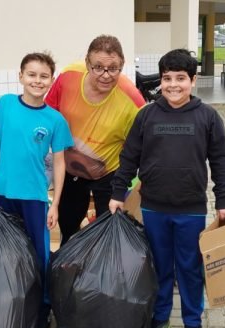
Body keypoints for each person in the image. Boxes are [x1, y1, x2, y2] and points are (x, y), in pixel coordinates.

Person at [108, 48, 225, 328]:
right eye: (167, 78)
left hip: (191, 208)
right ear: (160, 81)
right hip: (154, 208)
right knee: (160, 267)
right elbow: (129, 156)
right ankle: (160, 318)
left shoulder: (208, 117)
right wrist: (117, 192)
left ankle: (192, 323)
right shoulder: (147, 115)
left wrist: (223, 199)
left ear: (193, 80)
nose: (173, 85)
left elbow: (220, 159)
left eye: (180, 78)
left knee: (189, 268)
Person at [0, 52, 74, 328]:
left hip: (34, 197)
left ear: (51, 80)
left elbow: (59, 162)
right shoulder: (5, 105)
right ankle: (6, 304)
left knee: (40, 253)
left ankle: (43, 307)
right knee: (3, 252)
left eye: (44, 76)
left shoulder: (55, 120)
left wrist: (55, 203)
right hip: (2, 193)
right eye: (31, 74)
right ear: (20, 76)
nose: (37, 80)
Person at [45, 34, 146, 246]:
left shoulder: (133, 102)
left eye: (113, 68)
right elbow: (48, 115)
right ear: (87, 64)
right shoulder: (69, 76)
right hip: (70, 171)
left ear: (122, 65)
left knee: (107, 230)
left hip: (109, 173)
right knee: (68, 224)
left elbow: (138, 148)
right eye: (98, 67)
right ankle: (68, 267)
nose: (105, 75)